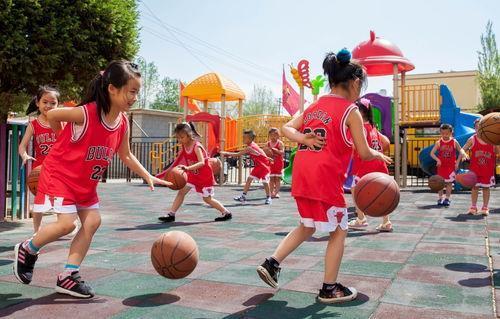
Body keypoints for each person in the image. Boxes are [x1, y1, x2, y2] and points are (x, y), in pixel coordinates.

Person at [13, 60, 170, 298]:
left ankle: (68, 275)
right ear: (112, 89)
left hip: (86, 183)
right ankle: (27, 248)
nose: (135, 97)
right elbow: (53, 114)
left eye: (137, 92)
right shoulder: (86, 113)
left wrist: (147, 174)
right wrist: (60, 137)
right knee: (67, 224)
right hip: (61, 175)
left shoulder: (122, 122)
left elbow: (125, 154)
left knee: (92, 222)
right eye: (132, 91)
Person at [256, 49, 391, 303]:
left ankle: (272, 262)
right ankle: (329, 288)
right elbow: (362, 151)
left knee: (307, 224)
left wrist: (302, 138)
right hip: (325, 177)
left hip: (302, 174)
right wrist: (378, 155)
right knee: (339, 230)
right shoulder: (351, 111)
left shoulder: (315, 105)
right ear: (355, 83)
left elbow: (286, 128)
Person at [158, 122, 232, 222]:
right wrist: (172, 171)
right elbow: (180, 160)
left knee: (207, 199)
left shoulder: (197, 147)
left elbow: (202, 162)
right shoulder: (184, 146)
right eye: (178, 138)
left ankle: (226, 213)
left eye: (182, 137)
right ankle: (171, 214)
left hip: (204, 177)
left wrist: (188, 168)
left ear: (189, 135)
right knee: (181, 193)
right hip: (193, 175)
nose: (179, 140)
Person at [18, 86, 60, 234]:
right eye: (45, 102)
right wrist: (25, 156)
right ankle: (37, 231)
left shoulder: (62, 123)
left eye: (53, 103)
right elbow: (22, 146)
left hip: (60, 169)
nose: (48, 106)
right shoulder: (34, 125)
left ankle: (66, 224)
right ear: (38, 102)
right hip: (40, 169)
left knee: (60, 200)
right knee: (39, 203)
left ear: (57, 105)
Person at [348, 98, 393, 232]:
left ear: (360, 112)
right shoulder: (373, 127)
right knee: (383, 192)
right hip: (378, 164)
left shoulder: (359, 128)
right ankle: (386, 222)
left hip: (365, 164)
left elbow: (356, 148)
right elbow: (384, 141)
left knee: (355, 189)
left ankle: (361, 219)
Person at [222, 130, 273, 205]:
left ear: (249, 139)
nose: (243, 139)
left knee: (265, 182)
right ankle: (243, 196)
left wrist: (225, 153)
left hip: (264, 166)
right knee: (249, 179)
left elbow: (238, 154)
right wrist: (267, 157)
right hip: (259, 166)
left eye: (244, 138)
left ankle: (269, 197)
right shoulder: (252, 145)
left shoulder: (250, 148)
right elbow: (260, 151)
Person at [461, 118, 499, 215]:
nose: (479, 129)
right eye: (477, 128)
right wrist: (465, 154)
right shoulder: (472, 139)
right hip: (475, 170)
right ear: (474, 129)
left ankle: (485, 207)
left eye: (481, 127)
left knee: (486, 188)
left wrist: (496, 144)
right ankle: (473, 207)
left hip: (487, 170)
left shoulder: (492, 139)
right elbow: (462, 149)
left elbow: (498, 153)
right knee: (475, 188)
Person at [430, 124, 467, 207]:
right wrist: (438, 160)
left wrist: (463, 154)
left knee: (449, 183)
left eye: (446, 134)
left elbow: (460, 149)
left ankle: (447, 198)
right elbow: (431, 153)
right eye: (442, 133)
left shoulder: (454, 141)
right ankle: (440, 198)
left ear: (451, 133)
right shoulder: (439, 142)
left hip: (450, 166)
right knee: (440, 183)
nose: (444, 135)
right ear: (440, 133)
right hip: (441, 166)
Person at [266, 127, 285, 199]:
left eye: (275, 135)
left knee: (277, 178)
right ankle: (271, 192)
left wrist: (277, 151)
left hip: (278, 163)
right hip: (271, 163)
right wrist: (267, 152)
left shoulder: (280, 143)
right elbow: (264, 152)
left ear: (278, 136)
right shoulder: (267, 144)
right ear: (269, 136)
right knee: (271, 178)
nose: (273, 137)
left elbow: (282, 152)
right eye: (271, 135)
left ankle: (276, 193)